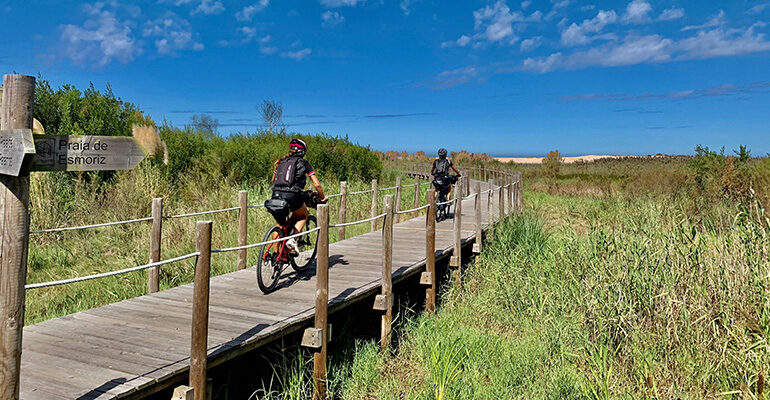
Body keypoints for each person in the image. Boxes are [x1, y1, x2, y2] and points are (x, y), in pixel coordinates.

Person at [270, 138, 327, 254]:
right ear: (303, 152)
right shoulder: (304, 163)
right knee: (302, 216)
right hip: (293, 195)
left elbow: (273, 180)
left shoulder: (281, 162)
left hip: (275, 193)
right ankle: (292, 240)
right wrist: (322, 197)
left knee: (279, 224)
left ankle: (276, 255)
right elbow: (317, 185)